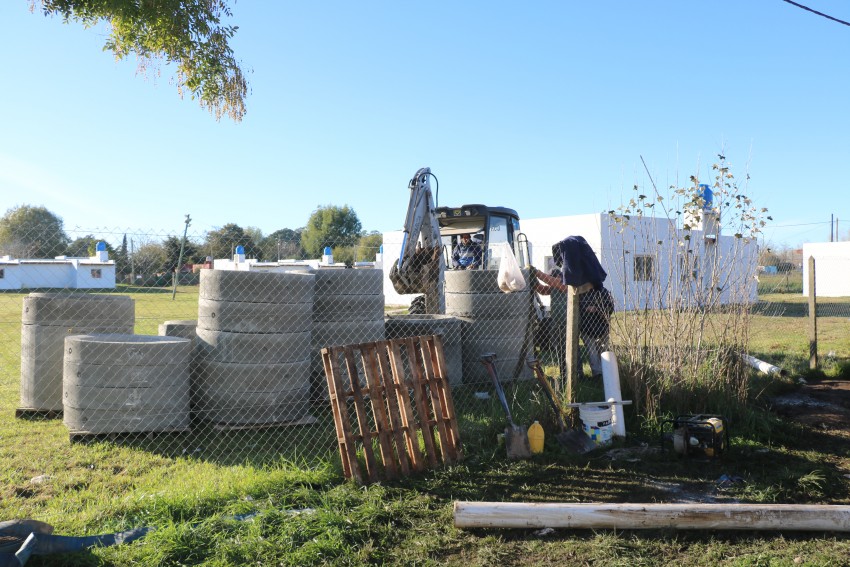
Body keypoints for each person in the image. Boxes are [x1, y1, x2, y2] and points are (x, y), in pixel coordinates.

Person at [531, 266, 569, 379]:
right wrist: (532, 279)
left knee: (568, 349)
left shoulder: (564, 284)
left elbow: (551, 281)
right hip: (556, 321)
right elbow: (542, 290)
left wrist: (536, 272)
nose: (550, 280)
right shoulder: (554, 287)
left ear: (558, 277)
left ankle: (575, 373)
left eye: (552, 278)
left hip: (567, 322)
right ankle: (564, 373)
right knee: (560, 350)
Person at [579, 285, 614, 379]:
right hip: (586, 328)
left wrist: (597, 309)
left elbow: (610, 309)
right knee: (592, 351)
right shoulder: (580, 292)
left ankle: (605, 372)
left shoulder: (604, 292)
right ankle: (597, 374)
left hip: (602, 327)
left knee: (603, 350)